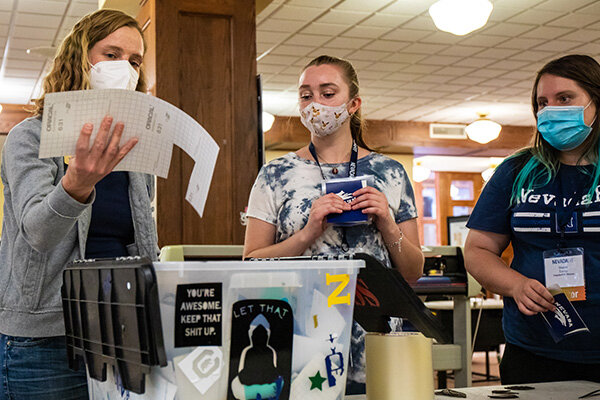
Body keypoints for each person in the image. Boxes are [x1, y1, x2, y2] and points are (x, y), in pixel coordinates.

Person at [0, 9, 159, 399]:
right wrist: (76, 183)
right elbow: (38, 231)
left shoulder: (132, 151)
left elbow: (137, 238)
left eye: (135, 61)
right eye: (112, 54)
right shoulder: (29, 137)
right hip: (47, 338)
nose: (126, 68)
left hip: (122, 328)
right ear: (81, 57)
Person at [243, 55, 424, 394]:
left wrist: (387, 221)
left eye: (328, 94)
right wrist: (308, 232)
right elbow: (252, 262)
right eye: (306, 95)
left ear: (353, 104)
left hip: (379, 339)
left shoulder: (391, 173)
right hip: (302, 338)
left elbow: (413, 271)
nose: (315, 105)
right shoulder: (275, 174)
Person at [464, 54, 600, 384]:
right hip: (534, 349)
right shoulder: (516, 171)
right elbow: (478, 250)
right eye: (542, 102)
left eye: (564, 98)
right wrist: (516, 285)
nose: (550, 109)